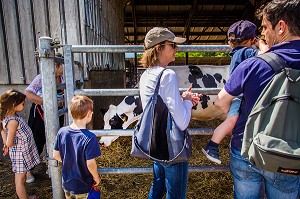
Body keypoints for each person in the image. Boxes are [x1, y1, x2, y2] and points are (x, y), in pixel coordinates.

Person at [214, 0, 300, 198]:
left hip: (248, 149)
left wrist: (232, 118)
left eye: (264, 27)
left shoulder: (253, 64)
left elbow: (220, 102)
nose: (263, 35)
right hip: (290, 155)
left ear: (281, 27)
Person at [139, 27, 201, 199]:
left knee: (157, 188)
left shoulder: (145, 75)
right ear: (159, 48)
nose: (176, 49)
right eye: (172, 45)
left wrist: (181, 99)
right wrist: (188, 102)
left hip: (154, 145)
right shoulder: (168, 75)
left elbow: (158, 107)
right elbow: (182, 122)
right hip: (172, 149)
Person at [202, 20, 269, 164]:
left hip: (234, 94)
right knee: (231, 121)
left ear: (230, 42)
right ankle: (212, 145)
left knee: (232, 120)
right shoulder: (247, 52)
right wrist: (261, 44)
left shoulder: (236, 54)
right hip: (238, 95)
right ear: (252, 39)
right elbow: (266, 55)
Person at [53, 95, 101, 199]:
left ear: (70, 113)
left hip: (67, 183)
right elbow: (91, 164)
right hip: (83, 185)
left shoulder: (62, 132)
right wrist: (96, 176)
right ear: (89, 114)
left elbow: (55, 154)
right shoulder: (90, 138)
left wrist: (69, 162)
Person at [0, 90, 40, 199]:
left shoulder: (11, 117)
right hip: (20, 154)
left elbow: (5, 137)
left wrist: (6, 143)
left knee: (21, 179)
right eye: (22, 103)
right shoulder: (12, 121)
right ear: (14, 105)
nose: (24, 105)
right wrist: (8, 144)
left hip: (21, 152)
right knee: (20, 181)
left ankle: (25, 197)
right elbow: (9, 142)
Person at [24, 55, 65, 158]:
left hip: (57, 113)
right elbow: (27, 93)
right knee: (37, 139)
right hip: (40, 113)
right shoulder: (41, 78)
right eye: (62, 65)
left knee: (55, 137)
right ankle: (28, 170)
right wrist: (47, 102)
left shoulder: (63, 79)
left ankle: (52, 163)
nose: (64, 68)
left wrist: (63, 102)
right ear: (56, 66)